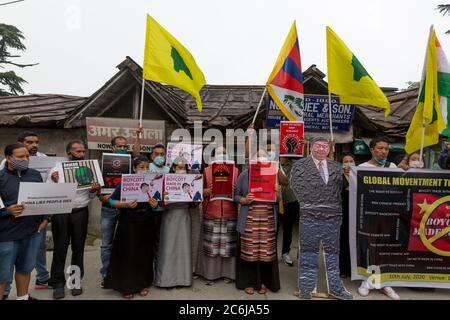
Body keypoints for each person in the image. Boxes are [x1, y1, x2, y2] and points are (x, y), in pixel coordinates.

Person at [290, 137, 353, 300]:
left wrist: (348, 176)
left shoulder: (336, 167)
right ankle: (306, 289)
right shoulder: (300, 166)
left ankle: (336, 289)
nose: (320, 149)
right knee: (308, 253)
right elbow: (297, 187)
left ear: (329, 149)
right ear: (311, 147)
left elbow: (343, 189)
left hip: (332, 218)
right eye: (317, 146)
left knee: (332, 255)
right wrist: (319, 201)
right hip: (310, 217)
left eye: (324, 147)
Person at [47, 140, 100, 299]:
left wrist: (94, 190)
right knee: (60, 248)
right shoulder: (56, 170)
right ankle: (57, 283)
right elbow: (48, 193)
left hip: (80, 212)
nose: (81, 154)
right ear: (69, 153)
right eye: (78, 151)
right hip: (61, 212)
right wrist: (55, 182)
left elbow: (90, 196)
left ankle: (75, 282)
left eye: (83, 151)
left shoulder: (89, 169)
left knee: (78, 248)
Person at [0, 132, 51, 295]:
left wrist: (45, 219)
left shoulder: (35, 175)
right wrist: (6, 211)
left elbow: (41, 199)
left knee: (25, 269)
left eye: (27, 156)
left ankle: (23, 297)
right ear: (8, 158)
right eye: (20, 157)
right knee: (2, 276)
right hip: (7, 234)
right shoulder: (0, 178)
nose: (25, 160)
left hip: (31, 232)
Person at [103, 156, 159, 299]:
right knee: (128, 253)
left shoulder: (154, 183)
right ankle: (126, 286)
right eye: (141, 167)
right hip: (128, 222)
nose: (144, 170)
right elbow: (110, 200)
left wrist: (155, 204)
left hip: (147, 222)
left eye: (147, 167)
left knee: (145, 254)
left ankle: (143, 283)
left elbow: (159, 203)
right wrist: (125, 205)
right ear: (134, 169)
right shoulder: (126, 182)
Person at [357, 136, 400, 300]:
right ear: (372, 150)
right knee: (370, 247)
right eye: (380, 148)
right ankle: (366, 281)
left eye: (386, 149)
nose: (384, 152)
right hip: (368, 215)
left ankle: (384, 283)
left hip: (387, 215)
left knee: (385, 248)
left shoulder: (392, 166)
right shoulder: (361, 167)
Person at [234, 147, 281, 295]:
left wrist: (276, 192)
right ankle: (248, 282)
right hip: (249, 217)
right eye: (258, 156)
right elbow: (235, 196)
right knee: (249, 252)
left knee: (265, 252)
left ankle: (263, 282)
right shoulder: (244, 175)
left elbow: (279, 200)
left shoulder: (273, 174)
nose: (261, 159)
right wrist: (244, 199)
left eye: (263, 157)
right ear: (252, 160)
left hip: (267, 218)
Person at [97, 135, 139, 288]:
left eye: (124, 147)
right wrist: (104, 197)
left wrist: (138, 136)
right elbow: (100, 195)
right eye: (119, 146)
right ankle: (106, 275)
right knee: (107, 244)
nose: (122, 149)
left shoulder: (131, 166)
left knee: (126, 243)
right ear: (112, 148)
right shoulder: (102, 166)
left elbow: (137, 153)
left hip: (126, 211)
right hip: (108, 209)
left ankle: (122, 273)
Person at [196, 147, 239, 285]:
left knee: (228, 246)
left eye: (225, 153)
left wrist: (235, 190)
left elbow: (240, 192)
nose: (222, 155)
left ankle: (228, 274)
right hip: (212, 211)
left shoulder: (236, 171)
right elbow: (198, 192)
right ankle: (210, 275)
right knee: (212, 245)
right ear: (213, 157)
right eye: (220, 153)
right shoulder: (207, 171)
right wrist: (210, 190)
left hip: (229, 212)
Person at [154, 157, 194, 288]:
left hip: (184, 216)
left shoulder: (191, 181)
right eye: (179, 167)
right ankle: (165, 280)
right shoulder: (166, 180)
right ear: (173, 168)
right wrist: (163, 197)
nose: (181, 170)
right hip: (170, 216)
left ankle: (184, 279)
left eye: (184, 168)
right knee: (168, 247)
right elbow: (159, 202)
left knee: (183, 247)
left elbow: (194, 204)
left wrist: (193, 195)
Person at [279, 156, 300, 267]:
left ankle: (285, 253)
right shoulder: (272, 162)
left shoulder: (295, 164)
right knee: (273, 230)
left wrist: (304, 146)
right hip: (275, 202)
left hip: (290, 201)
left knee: (288, 229)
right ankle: (269, 253)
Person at [339, 153, 356, 278]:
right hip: (343, 215)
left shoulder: (359, 176)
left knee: (355, 243)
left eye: (351, 161)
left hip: (357, 215)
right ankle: (343, 269)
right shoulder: (338, 178)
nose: (349, 163)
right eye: (346, 161)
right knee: (344, 242)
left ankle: (353, 269)